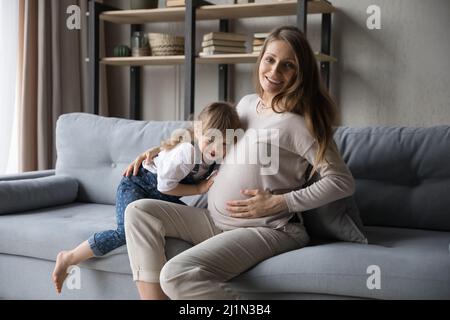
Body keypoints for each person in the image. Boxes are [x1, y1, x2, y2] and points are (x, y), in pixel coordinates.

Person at [123, 25, 356, 300]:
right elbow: (206, 133)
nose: (274, 71)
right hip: (215, 220)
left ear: (300, 73)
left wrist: (282, 202)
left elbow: (341, 181)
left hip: (269, 228)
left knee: (175, 274)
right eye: (270, 60)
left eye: (288, 65)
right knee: (139, 211)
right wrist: (159, 149)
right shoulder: (247, 104)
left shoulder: (300, 124)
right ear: (260, 60)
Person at [51, 102, 241, 294]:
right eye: (211, 140)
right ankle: (70, 257)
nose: (215, 149)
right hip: (137, 185)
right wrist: (199, 188)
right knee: (125, 231)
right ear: (199, 131)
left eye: (224, 143)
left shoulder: (217, 159)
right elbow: (164, 186)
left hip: (160, 196)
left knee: (186, 224)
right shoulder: (188, 152)